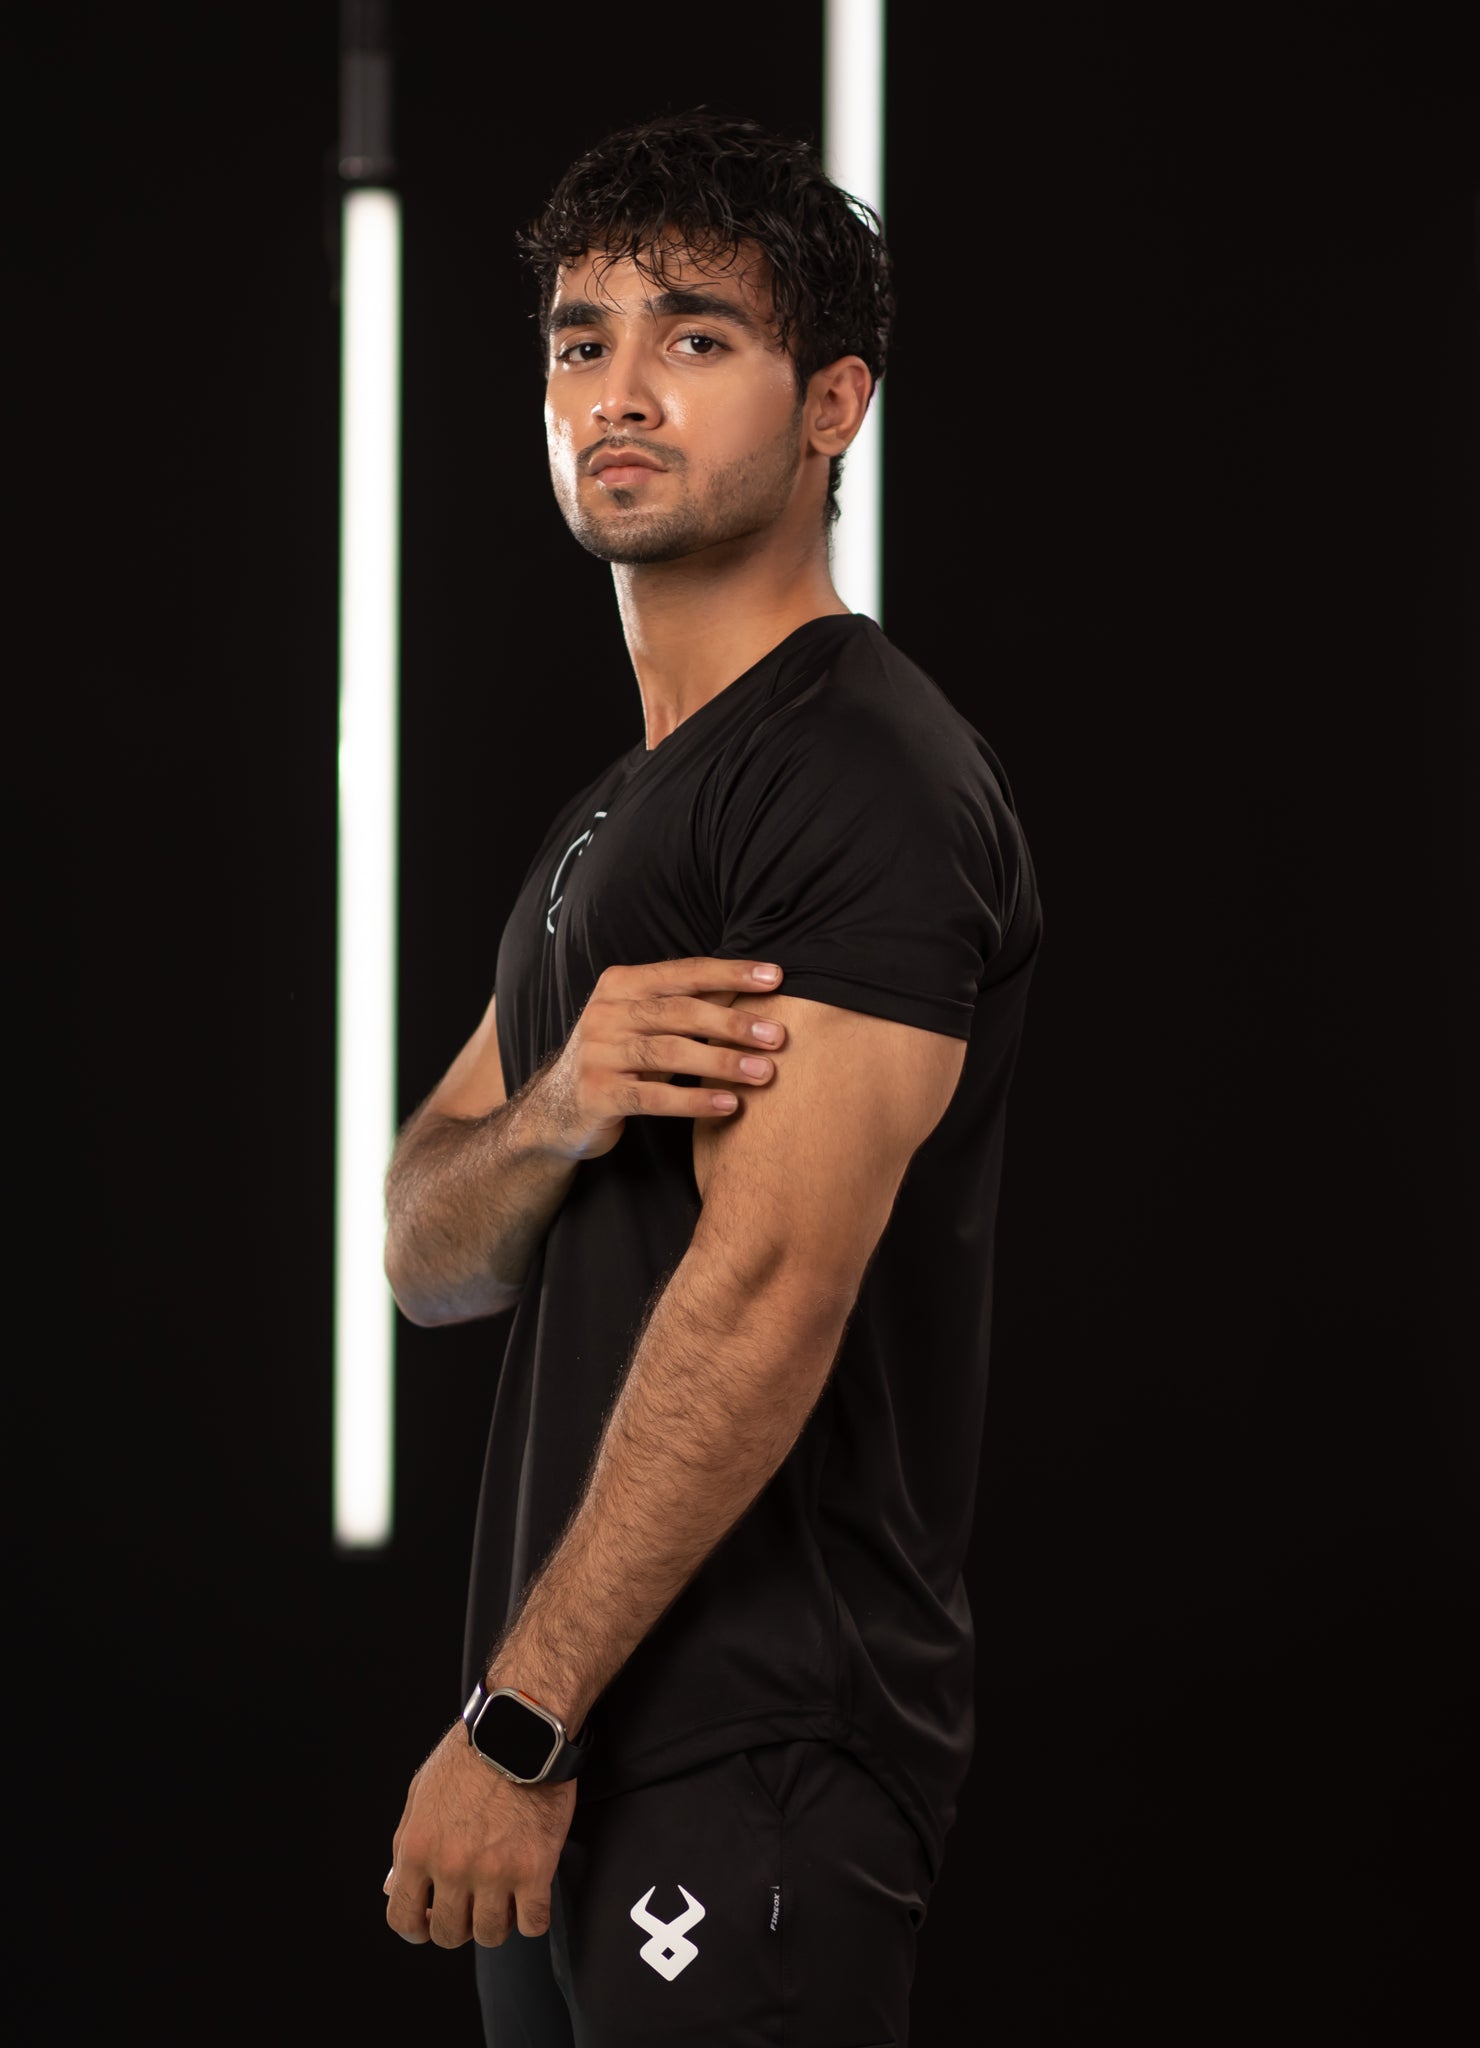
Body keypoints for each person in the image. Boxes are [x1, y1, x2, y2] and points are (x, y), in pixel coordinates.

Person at [379, 110, 1042, 2046]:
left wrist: (518, 1719)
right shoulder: (612, 823)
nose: (619, 389)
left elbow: (769, 1289)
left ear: (833, 402)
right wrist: (561, 1108)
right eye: (579, 340)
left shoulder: (860, 776)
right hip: (586, 1732)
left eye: (695, 335)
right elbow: (426, 1250)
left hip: (752, 1730)